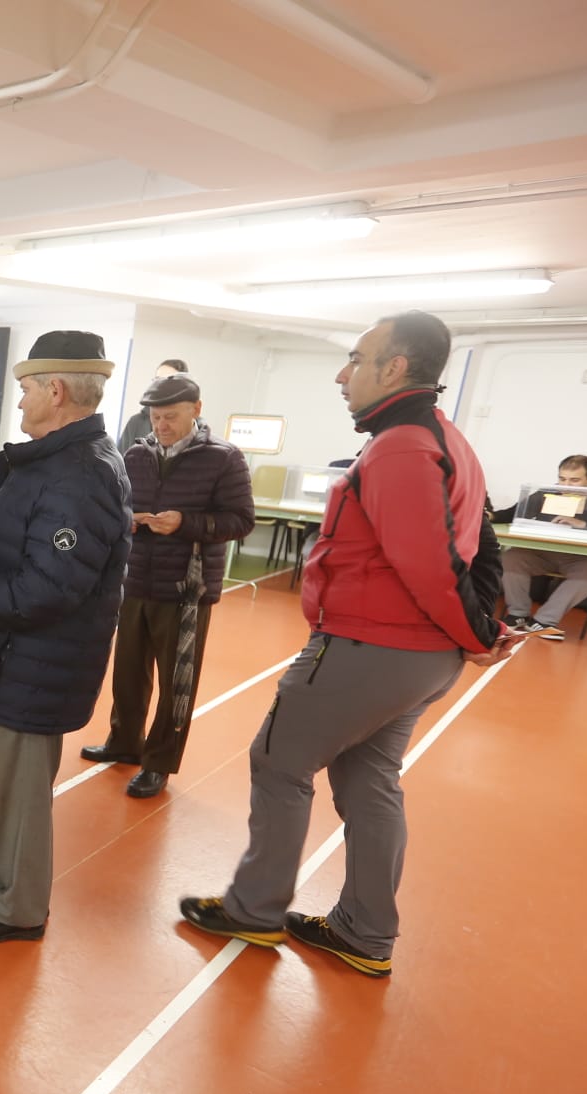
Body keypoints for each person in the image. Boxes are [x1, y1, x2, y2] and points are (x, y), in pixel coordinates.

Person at [180, 310, 516, 978]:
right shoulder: (444, 437)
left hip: (370, 648)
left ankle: (255, 909)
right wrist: (479, 630)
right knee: (369, 780)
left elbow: (430, 564)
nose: (342, 374)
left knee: (278, 763)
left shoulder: (400, 447)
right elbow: (480, 546)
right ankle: (365, 931)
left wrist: (479, 631)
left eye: (356, 359)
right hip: (419, 659)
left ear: (395, 368)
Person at [0, 330, 131, 944]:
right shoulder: (61, 462)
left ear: (56, 390)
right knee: (14, 783)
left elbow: (46, 592)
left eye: (26, 389)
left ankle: (19, 907)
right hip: (27, 659)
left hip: (33, 659)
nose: (19, 402)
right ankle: (14, 876)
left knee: (21, 785)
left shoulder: (78, 475)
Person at [82, 374, 255, 798]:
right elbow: (115, 508)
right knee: (127, 671)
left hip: (187, 590)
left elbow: (241, 521)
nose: (161, 426)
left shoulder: (225, 458)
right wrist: (129, 521)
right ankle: (124, 743)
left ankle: (159, 762)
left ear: (196, 409)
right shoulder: (136, 455)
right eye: (156, 417)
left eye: (171, 417)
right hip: (136, 578)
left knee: (177, 680)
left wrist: (186, 524)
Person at [498, 454, 587, 640]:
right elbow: (513, 513)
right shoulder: (550, 492)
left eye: (575, 480)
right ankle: (518, 614)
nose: (567, 485)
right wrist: (489, 516)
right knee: (511, 558)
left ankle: (543, 621)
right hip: (546, 553)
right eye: (562, 478)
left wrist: (582, 524)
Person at [117, 358, 189, 452]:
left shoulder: (194, 428)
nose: (160, 385)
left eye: (168, 380)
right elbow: (119, 465)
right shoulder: (135, 423)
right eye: (157, 380)